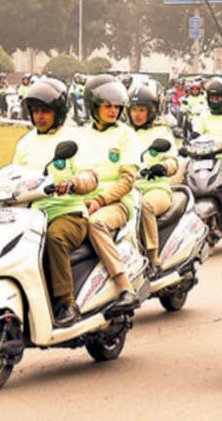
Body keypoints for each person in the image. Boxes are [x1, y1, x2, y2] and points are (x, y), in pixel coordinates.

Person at [13, 77, 98, 327]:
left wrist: (73, 183)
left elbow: (90, 176)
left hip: (68, 214)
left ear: (58, 112)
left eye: (46, 111)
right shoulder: (25, 143)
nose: (40, 116)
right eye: (36, 111)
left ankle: (66, 302)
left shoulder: (73, 139)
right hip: (32, 216)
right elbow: (14, 175)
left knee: (54, 237)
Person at [80, 74, 142, 310]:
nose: (113, 110)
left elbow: (128, 180)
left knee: (95, 224)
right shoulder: (81, 135)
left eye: (117, 106)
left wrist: (101, 199)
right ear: (93, 106)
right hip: (82, 200)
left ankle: (124, 285)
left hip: (116, 204)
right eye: (108, 106)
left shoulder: (126, 135)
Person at [126, 86, 179, 275]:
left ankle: (153, 257)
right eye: (134, 109)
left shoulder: (162, 132)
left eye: (142, 110)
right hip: (127, 188)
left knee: (145, 206)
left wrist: (163, 168)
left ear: (151, 111)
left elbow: (173, 161)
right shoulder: (124, 132)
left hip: (155, 189)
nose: (137, 114)